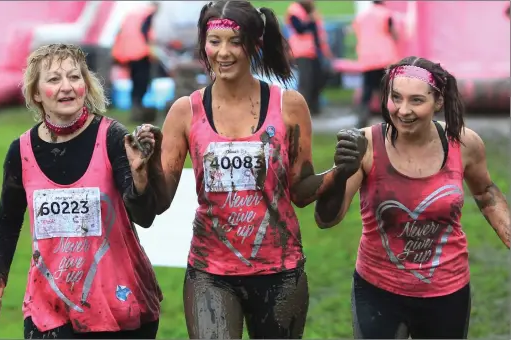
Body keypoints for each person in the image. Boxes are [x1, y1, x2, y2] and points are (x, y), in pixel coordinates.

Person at [139, 1, 360, 338]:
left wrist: (339, 172)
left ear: (255, 45)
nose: (223, 53)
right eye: (215, 42)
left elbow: (300, 191)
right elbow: (161, 200)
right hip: (210, 272)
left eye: (235, 42)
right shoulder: (186, 112)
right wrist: (147, 166)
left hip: (279, 271)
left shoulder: (289, 106)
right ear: (204, 44)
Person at [315, 56, 511, 339]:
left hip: (447, 289)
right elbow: (325, 220)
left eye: (416, 101)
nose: (403, 110)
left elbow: (485, 192)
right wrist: (342, 173)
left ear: (438, 102)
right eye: (396, 98)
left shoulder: (464, 143)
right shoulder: (366, 144)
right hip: (378, 289)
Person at [0, 43, 163, 339]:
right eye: (54, 79)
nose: (67, 87)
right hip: (49, 307)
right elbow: (7, 221)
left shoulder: (112, 136)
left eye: (75, 77)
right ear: (37, 93)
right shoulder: (21, 150)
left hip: (118, 304)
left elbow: (144, 217)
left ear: (86, 84)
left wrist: (141, 179)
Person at [352, 0, 399, 128]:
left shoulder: (362, 16)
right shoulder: (386, 14)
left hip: (367, 57)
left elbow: (357, 33)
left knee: (367, 88)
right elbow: (394, 34)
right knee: (384, 89)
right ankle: (388, 118)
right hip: (383, 57)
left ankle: (362, 118)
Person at [112, 1, 160, 123]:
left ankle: (136, 108)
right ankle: (138, 110)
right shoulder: (149, 15)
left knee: (135, 83)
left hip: (129, 54)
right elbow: (146, 32)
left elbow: (120, 33)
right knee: (142, 83)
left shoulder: (135, 14)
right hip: (141, 53)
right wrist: (152, 50)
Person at [286, 0, 334, 115]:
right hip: (302, 52)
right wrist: (311, 19)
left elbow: (317, 33)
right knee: (306, 82)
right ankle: (302, 111)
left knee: (317, 80)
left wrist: (325, 50)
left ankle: (314, 107)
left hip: (315, 51)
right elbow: (299, 29)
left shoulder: (311, 11)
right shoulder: (295, 10)